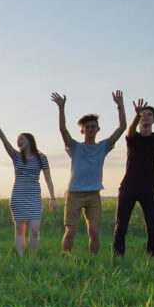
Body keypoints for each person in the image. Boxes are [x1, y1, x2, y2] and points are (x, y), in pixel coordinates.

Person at [50, 91, 126, 255]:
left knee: (94, 231)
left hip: (93, 194)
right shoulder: (75, 146)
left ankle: (93, 261)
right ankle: (66, 259)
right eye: (87, 127)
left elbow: (122, 128)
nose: (90, 129)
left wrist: (120, 106)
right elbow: (63, 130)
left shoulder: (103, 146)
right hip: (75, 193)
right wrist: (61, 108)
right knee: (71, 231)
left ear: (98, 129)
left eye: (93, 126)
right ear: (82, 131)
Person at [113, 95, 154, 258]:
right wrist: (136, 114)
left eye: (149, 114)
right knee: (121, 226)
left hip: (150, 187)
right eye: (143, 114)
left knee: (153, 226)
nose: (146, 116)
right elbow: (129, 129)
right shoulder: (133, 138)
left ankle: (152, 258)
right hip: (128, 186)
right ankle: (117, 257)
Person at [0, 117, 56, 256]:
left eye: (22, 138)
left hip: (34, 197)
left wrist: (53, 197)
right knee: (19, 229)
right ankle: (21, 257)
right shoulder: (16, 157)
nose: (19, 141)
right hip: (18, 197)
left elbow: (48, 178)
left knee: (35, 229)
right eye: (18, 140)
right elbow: (5, 141)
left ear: (30, 140)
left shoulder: (42, 158)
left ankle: (32, 258)